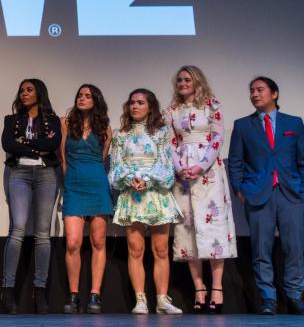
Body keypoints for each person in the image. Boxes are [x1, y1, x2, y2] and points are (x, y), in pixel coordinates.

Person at [163, 66, 236, 314]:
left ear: (197, 81)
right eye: (179, 80)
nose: (182, 83)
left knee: (214, 226)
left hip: (209, 172)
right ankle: (199, 287)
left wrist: (201, 165)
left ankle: (217, 287)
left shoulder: (212, 106)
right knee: (188, 229)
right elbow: (169, 143)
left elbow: (217, 138)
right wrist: (180, 167)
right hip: (183, 174)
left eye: (187, 79)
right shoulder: (171, 112)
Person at [228, 76, 304, 315]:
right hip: (258, 193)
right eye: (251, 91)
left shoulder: (294, 122)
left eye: (260, 90)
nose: (254, 94)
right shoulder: (242, 125)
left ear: (275, 94)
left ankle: (294, 295)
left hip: (291, 193)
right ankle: (268, 298)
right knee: (262, 249)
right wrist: (240, 189)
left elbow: (302, 159)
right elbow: (236, 162)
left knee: (295, 247)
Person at [109, 88, 182, 315]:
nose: (135, 106)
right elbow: (114, 169)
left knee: (161, 249)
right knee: (135, 249)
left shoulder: (161, 133)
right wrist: (130, 179)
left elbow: (168, 168)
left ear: (150, 107)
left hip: (156, 195)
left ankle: (162, 299)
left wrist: (148, 180)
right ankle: (140, 300)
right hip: (132, 196)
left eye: (140, 102)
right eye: (132, 102)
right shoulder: (121, 135)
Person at [0, 79, 61, 314]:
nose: (24, 93)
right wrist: (37, 147)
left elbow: (53, 143)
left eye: (29, 90)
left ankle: (40, 291)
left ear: (39, 94)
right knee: (18, 228)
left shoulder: (53, 120)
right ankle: (7, 290)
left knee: (43, 233)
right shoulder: (11, 120)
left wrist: (24, 143)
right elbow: (8, 144)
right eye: (22, 90)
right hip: (19, 173)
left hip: (46, 172)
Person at [60, 84, 113, 314]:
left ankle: (95, 295)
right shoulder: (66, 122)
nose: (82, 99)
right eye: (80, 95)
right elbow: (62, 156)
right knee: (72, 242)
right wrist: (70, 179)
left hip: (97, 186)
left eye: (87, 96)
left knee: (98, 241)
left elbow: (103, 159)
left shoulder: (105, 128)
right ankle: (73, 296)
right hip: (74, 186)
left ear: (96, 100)